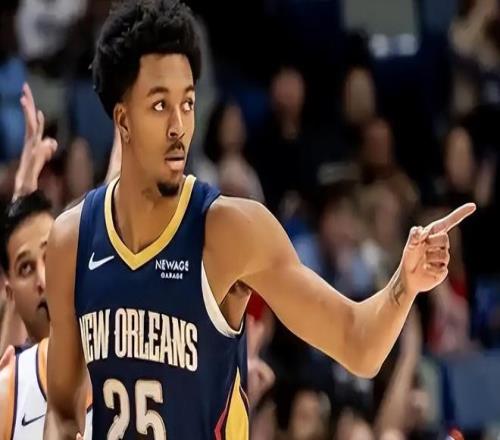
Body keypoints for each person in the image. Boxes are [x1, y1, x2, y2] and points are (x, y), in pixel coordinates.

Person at [43, 1, 476, 439]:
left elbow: (358, 344)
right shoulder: (72, 240)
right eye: (159, 106)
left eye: (188, 103)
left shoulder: (230, 229)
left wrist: (405, 284)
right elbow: (62, 410)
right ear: (123, 119)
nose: (179, 126)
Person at [0, 83, 93, 440]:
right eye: (25, 268)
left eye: (49, 256)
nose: (42, 277)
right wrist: (21, 194)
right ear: (10, 290)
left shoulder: (114, 354)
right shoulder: (12, 383)